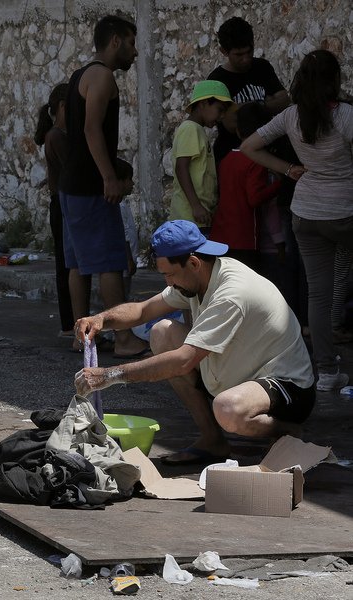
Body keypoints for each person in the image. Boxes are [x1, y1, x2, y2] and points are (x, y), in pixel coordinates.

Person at [74, 220, 314, 465]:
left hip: (288, 386)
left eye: (170, 274)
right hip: (239, 373)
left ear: (193, 263)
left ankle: (287, 431)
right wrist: (101, 319)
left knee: (228, 410)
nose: (168, 282)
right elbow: (144, 310)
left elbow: (183, 361)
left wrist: (110, 375)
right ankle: (212, 440)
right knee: (162, 333)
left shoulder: (231, 293)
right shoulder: (196, 276)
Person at [240, 49, 353, 392]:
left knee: (318, 295)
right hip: (346, 210)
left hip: (305, 212)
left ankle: (327, 372)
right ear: (335, 80)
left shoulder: (291, 116)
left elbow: (249, 146)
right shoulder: (346, 116)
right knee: (339, 282)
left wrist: (288, 170)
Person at [58, 14, 147, 358]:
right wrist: (109, 176)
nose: (134, 52)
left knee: (78, 264)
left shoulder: (81, 74)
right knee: (111, 262)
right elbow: (92, 129)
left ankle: (83, 337)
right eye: (130, 43)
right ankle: (124, 339)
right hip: (90, 187)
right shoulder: (104, 76)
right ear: (114, 41)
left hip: (71, 185)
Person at [208, 16, 290, 165]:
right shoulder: (217, 81)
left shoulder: (262, 67)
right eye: (238, 55)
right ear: (223, 51)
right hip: (234, 158)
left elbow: (284, 101)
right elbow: (231, 124)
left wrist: (246, 108)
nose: (246, 59)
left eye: (249, 51)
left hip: (269, 154)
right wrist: (266, 105)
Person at [210, 102, 282, 270]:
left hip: (221, 233)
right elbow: (254, 198)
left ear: (237, 130)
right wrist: (280, 184)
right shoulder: (257, 161)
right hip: (244, 237)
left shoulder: (227, 159)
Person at [34, 83, 75, 337]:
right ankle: (69, 322)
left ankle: (70, 321)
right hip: (63, 203)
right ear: (62, 106)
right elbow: (72, 167)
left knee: (67, 263)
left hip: (61, 202)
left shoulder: (57, 135)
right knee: (67, 265)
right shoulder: (57, 136)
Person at [170, 80, 232, 230]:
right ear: (203, 103)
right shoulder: (190, 129)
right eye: (220, 109)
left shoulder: (198, 130)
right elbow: (181, 168)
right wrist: (196, 206)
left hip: (197, 216)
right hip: (189, 216)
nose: (222, 116)